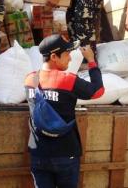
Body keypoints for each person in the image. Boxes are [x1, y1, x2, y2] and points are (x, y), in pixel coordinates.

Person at [24, 34, 104, 188]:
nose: (70, 58)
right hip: (65, 153)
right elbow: (98, 91)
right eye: (67, 54)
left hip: (38, 153)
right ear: (54, 56)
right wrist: (92, 61)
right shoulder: (68, 80)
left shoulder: (29, 79)